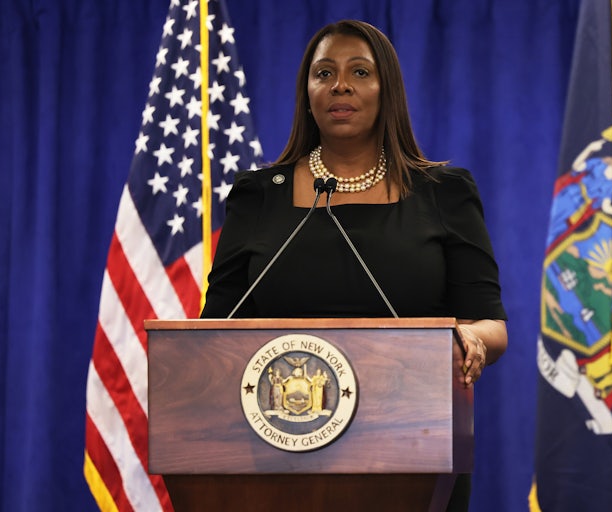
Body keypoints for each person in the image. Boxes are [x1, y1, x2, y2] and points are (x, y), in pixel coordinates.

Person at [200, 19, 508, 510]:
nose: (340, 84)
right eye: (324, 73)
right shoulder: (258, 196)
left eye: (359, 71)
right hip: (274, 454)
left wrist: (469, 338)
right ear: (307, 93)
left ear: (388, 91)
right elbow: (212, 333)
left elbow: (490, 324)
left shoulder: (443, 192)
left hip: (412, 450)